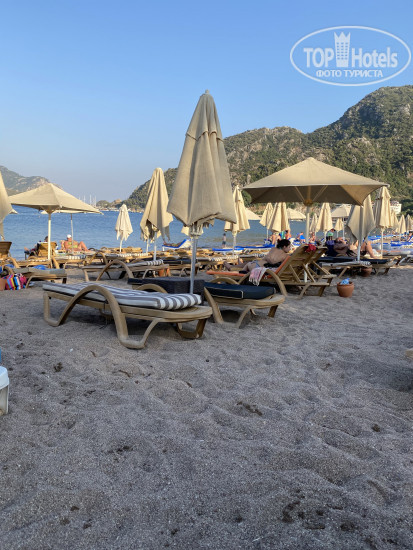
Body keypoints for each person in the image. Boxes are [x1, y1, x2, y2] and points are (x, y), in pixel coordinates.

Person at [224, 239, 292, 272]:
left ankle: (232, 267)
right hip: (260, 266)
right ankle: (233, 266)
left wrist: (267, 258)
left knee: (249, 263)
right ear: (284, 247)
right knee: (249, 263)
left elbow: (271, 260)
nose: (290, 249)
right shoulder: (285, 255)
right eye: (289, 247)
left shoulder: (274, 249)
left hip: (258, 267)